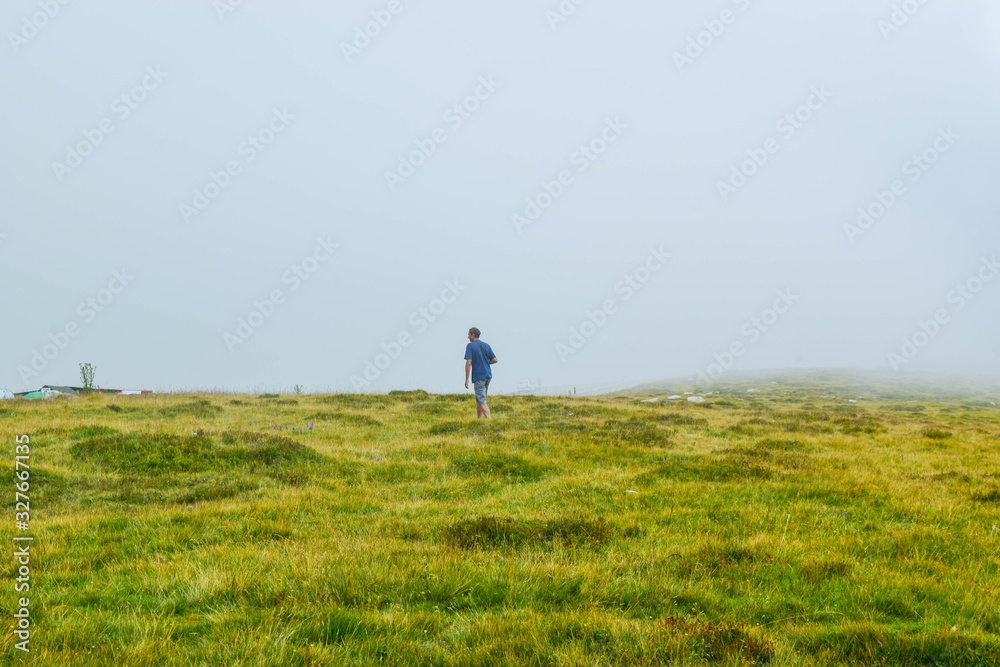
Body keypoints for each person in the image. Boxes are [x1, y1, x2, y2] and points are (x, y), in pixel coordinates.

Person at [464, 327, 497, 419]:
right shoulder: (486, 345)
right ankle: (479, 419)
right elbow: (495, 360)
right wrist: (486, 362)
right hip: (488, 375)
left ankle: (489, 420)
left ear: (473, 335)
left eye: (469, 334)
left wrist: (466, 379)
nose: (468, 337)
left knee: (482, 400)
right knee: (479, 399)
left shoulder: (470, 346)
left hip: (479, 376)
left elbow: (468, 362)